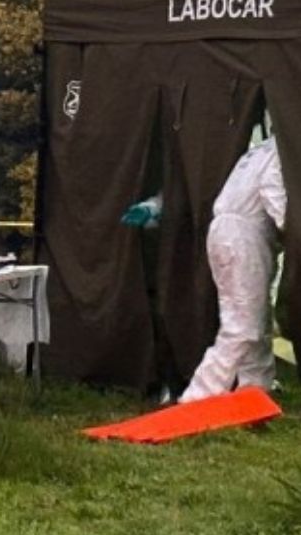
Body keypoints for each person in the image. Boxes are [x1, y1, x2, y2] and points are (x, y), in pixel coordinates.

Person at [121, 136, 286, 402]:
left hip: (229, 232)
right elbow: (274, 194)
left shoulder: (256, 152)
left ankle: (255, 393)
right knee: (243, 325)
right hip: (244, 235)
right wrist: (298, 232)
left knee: (255, 319)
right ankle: (200, 396)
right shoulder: (280, 153)